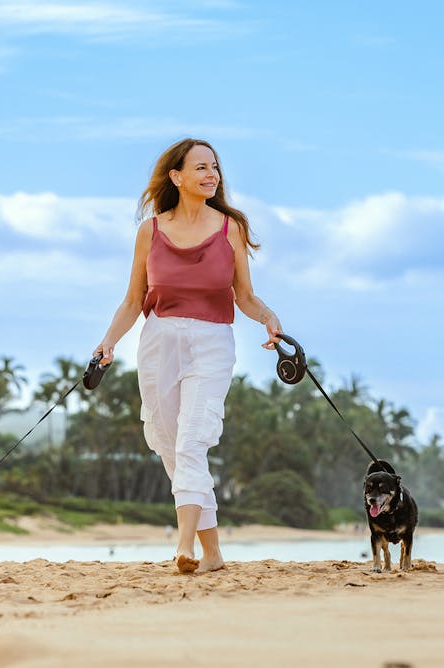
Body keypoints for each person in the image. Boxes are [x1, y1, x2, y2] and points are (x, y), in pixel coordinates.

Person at [94, 138, 282, 574]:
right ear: (176, 177)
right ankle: (213, 552)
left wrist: (269, 317)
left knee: (193, 440)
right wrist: (108, 342)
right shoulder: (150, 231)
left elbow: (246, 297)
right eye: (200, 167)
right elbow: (132, 300)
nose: (211, 174)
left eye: (214, 167)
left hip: (213, 341)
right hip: (159, 340)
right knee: (168, 443)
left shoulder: (230, 228)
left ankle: (184, 548)